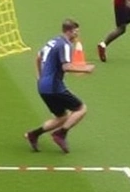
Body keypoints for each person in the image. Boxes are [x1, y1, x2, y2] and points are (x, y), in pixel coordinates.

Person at [25, 19, 94, 154]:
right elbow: (66, 67)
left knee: (62, 117)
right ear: (69, 31)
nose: (77, 35)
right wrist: (85, 69)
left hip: (43, 87)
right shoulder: (65, 44)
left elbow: (38, 57)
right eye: (76, 32)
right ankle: (61, 134)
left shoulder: (52, 42)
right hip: (54, 86)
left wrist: (39, 77)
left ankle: (33, 134)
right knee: (81, 108)